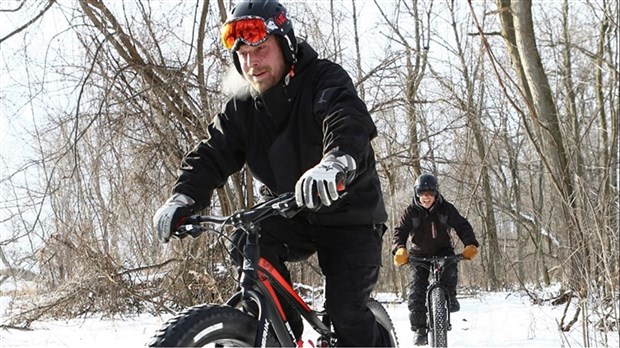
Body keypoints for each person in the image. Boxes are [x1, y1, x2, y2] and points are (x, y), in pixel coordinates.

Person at [152, 0, 390, 346]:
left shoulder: (323, 79)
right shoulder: (243, 106)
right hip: (290, 212)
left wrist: (335, 162)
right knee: (248, 241)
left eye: (260, 49)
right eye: (243, 55)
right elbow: (212, 152)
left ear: (286, 46)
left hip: (349, 214)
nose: (251, 63)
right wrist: (184, 195)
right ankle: (279, 338)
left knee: (347, 313)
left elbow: (345, 121)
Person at [391, 173, 479, 346]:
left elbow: (462, 225)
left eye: (430, 193)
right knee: (417, 291)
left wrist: (470, 244)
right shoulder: (411, 212)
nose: (426, 197)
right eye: (422, 193)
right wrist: (399, 249)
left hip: (442, 250)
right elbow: (400, 231)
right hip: (418, 254)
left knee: (450, 269)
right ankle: (420, 329)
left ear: (436, 194)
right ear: (417, 194)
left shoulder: (446, 209)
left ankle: (450, 296)